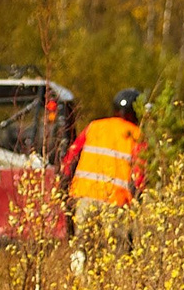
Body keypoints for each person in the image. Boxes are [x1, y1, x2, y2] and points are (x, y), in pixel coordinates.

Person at [59, 89, 146, 260]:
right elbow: (139, 175)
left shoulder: (94, 126)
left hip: (84, 198)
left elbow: (70, 159)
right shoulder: (136, 135)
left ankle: (79, 284)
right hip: (116, 202)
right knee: (118, 255)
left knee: (81, 250)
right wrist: (136, 200)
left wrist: (64, 189)